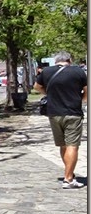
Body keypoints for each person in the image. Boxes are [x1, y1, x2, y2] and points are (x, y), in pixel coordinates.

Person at [34, 51, 87, 189]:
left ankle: (69, 173)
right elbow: (87, 91)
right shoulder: (78, 72)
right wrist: (81, 99)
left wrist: (49, 94)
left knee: (63, 145)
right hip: (73, 112)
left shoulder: (46, 72)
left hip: (54, 113)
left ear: (55, 60)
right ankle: (68, 179)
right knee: (72, 145)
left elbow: (36, 87)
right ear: (70, 59)